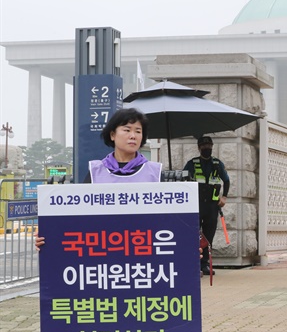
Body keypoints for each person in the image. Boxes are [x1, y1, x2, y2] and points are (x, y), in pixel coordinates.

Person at [36, 108, 163, 244]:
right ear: (112, 135)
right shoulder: (96, 172)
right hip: (104, 248)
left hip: (143, 246)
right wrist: (50, 235)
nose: (133, 136)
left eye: (138, 131)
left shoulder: (155, 172)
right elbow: (78, 215)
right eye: (127, 130)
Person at [183, 136, 230, 277]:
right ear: (199, 148)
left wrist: (224, 197)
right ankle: (194, 264)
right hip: (196, 205)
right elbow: (183, 180)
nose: (207, 148)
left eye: (209, 146)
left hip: (211, 206)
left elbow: (226, 181)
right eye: (204, 146)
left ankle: (206, 265)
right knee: (194, 235)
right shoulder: (192, 164)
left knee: (209, 237)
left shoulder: (217, 164)